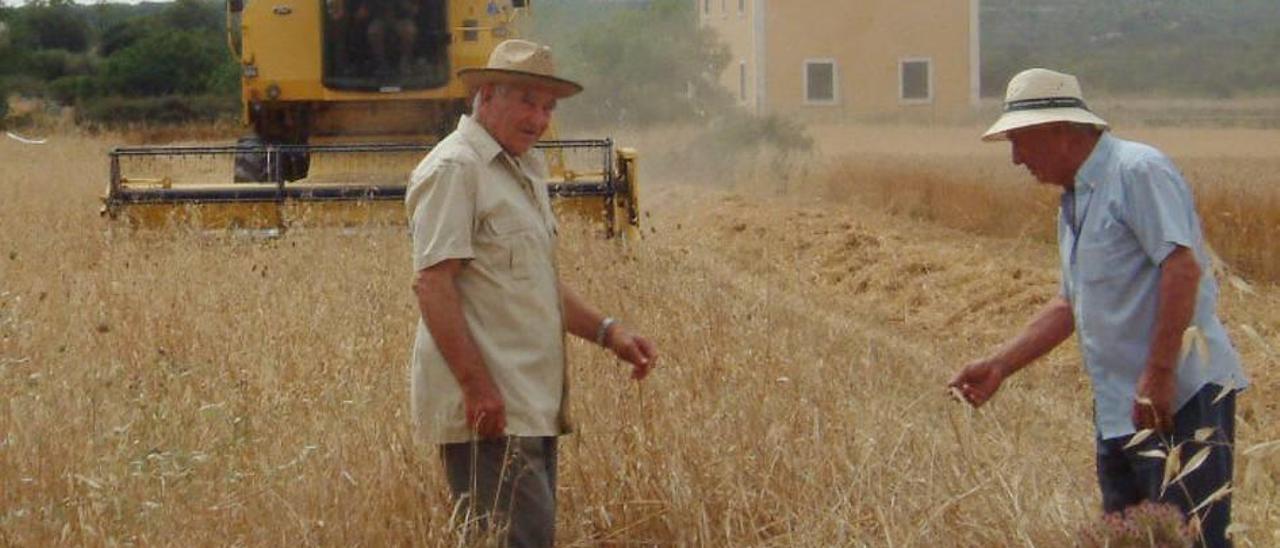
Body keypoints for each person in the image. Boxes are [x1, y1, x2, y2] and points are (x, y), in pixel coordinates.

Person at [947, 68, 1248, 547]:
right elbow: (1069, 305)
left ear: (1061, 132)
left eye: (1020, 141)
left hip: (1179, 402)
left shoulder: (1137, 171)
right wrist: (1000, 365)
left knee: (1191, 541)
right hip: (1121, 410)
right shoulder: (1074, 202)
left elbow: (1182, 268)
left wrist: (1160, 372)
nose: (1015, 159)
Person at [405, 39, 658, 547]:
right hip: (491, 410)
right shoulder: (456, 169)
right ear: (486, 95)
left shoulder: (523, 171)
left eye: (548, 107)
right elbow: (433, 283)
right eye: (526, 100)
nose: (539, 118)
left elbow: (534, 280)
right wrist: (477, 389)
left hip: (527, 403)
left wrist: (609, 333)